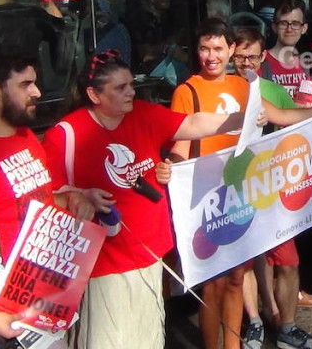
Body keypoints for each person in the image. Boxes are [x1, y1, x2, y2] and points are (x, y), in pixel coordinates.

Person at [40, 49, 247, 349]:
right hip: (101, 266)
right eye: (121, 88)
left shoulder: (143, 113)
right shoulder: (67, 134)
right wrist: (78, 195)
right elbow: (46, 195)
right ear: (94, 95)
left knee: (147, 340)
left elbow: (191, 124)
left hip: (149, 254)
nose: (131, 93)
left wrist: (241, 118)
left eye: (131, 85)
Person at [170, 18, 312, 349]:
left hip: (243, 191)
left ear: (230, 50)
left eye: (218, 48)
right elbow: (178, 148)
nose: (211, 56)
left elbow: (282, 116)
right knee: (213, 285)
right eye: (204, 49)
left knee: (235, 278)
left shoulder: (244, 86)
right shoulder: (186, 91)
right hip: (207, 198)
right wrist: (170, 170)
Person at [0, 50, 98, 348]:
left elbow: (36, 202)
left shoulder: (25, 138)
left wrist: (73, 199)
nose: (36, 92)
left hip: (45, 299)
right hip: (5, 309)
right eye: (25, 84)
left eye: (35, 83)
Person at [230, 28, 312, 349]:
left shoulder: (270, 88)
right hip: (235, 190)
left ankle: (287, 327)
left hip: (271, 187)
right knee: (245, 261)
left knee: (288, 261)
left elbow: (290, 118)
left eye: (252, 58)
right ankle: (255, 323)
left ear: (262, 59)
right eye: (240, 56)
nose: (246, 64)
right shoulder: (224, 89)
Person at [265, 0, 311, 100]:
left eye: (295, 23)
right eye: (283, 23)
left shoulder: (304, 65)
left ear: (304, 28)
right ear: (274, 27)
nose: (289, 29)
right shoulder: (261, 63)